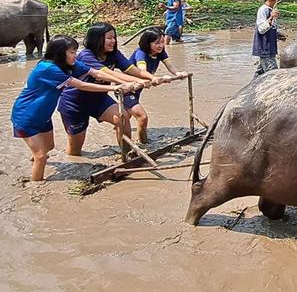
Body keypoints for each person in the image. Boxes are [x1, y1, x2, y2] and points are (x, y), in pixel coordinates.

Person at [10, 35, 128, 181]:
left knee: (49, 147)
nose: (76, 55)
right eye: (72, 52)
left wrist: (126, 82)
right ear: (60, 52)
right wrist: (116, 87)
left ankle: (34, 158)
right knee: (41, 156)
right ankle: (36, 187)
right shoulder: (48, 69)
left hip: (43, 116)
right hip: (26, 116)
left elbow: (96, 73)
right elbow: (82, 85)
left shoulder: (69, 64)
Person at [57, 23, 158, 156]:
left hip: (99, 99)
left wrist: (153, 78)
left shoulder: (114, 54)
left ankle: (126, 155)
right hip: (75, 103)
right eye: (109, 38)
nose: (114, 41)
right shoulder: (86, 56)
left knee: (122, 118)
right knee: (75, 150)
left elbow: (131, 69)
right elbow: (109, 74)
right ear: (97, 39)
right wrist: (138, 82)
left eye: (114, 37)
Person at [124, 27, 188, 143]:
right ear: (147, 43)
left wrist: (178, 74)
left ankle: (122, 133)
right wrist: (158, 78)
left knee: (125, 117)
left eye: (162, 42)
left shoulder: (160, 52)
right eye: (157, 43)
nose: (161, 46)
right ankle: (143, 143)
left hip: (139, 88)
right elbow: (142, 71)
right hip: (128, 89)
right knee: (142, 117)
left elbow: (169, 65)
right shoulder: (141, 54)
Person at [253, 0, 281, 77]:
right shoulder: (263, 10)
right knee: (273, 76)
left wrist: (277, 34)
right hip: (265, 49)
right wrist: (271, 17)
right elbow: (261, 29)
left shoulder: (271, 9)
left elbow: (269, 28)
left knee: (259, 76)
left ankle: (251, 90)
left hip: (270, 49)